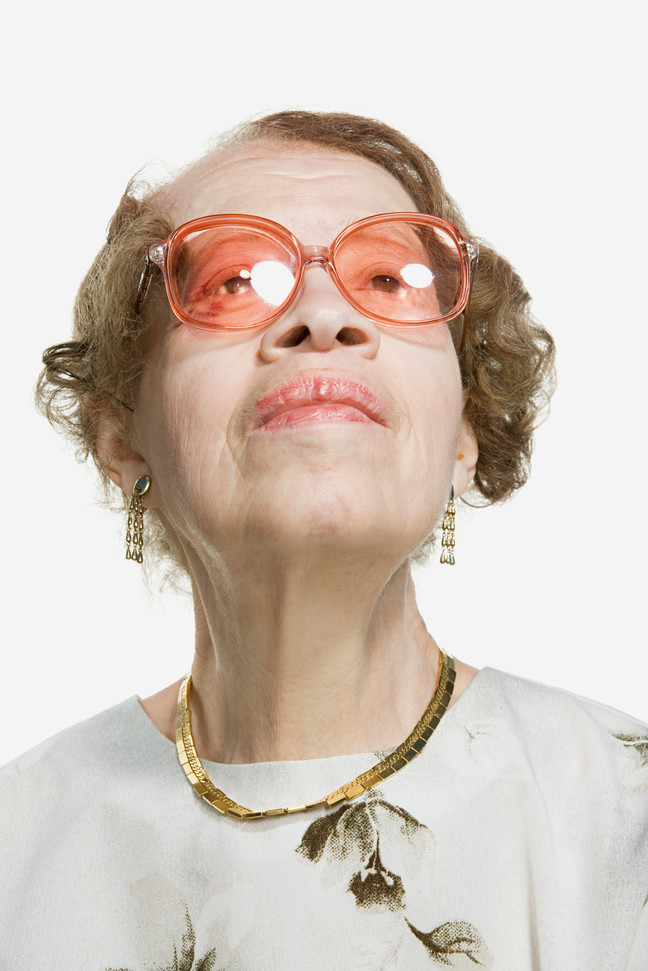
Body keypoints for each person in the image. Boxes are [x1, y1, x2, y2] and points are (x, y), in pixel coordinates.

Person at [1, 110, 646, 970]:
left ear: (464, 435)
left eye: (387, 278)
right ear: (122, 437)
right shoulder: (17, 847)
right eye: (234, 280)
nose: (322, 314)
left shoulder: (625, 819)